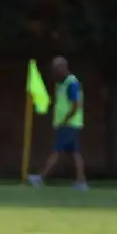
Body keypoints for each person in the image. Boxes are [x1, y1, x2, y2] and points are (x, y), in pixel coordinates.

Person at [28, 56, 88, 190]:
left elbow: (75, 105)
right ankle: (81, 181)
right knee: (74, 153)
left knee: (58, 152)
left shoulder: (71, 83)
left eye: (56, 69)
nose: (54, 72)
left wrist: (65, 120)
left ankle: (41, 177)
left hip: (69, 124)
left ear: (63, 68)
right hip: (68, 124)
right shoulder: (61, 83)